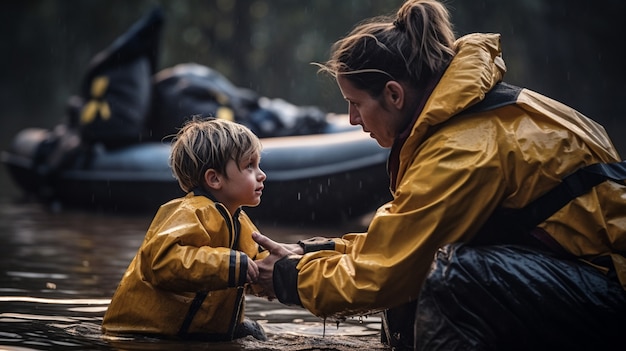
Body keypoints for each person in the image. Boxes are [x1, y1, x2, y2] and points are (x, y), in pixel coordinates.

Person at [252, 0, 626, 349]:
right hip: (586, 282)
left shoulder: (462, 148)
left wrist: (287, 278)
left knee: (447, 273)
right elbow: (399, 241)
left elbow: (388, 274)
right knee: (432, 263)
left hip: (608, 294)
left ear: (394, 95)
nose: (352, 120)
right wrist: (311, 252)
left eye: (355, 104)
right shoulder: (478, 116)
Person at [102, 117, 268, 341]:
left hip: (191, 332)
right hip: (142, 334)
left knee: (254, 334)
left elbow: (256, 260)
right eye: (249, 166)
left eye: (258, 165)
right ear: (214, 178)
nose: (261, 174)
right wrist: (229, 265)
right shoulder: (188, 212)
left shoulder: (239, 220)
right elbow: (163, 262)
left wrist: (280, 268)